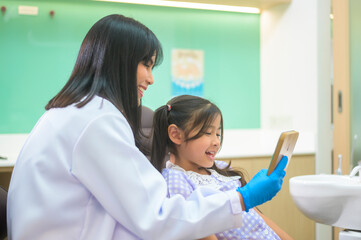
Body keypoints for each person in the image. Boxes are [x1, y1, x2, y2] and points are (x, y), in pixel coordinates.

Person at [7, 14, 287, 240]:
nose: (151, 79)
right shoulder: (97, 120)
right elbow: (158, 215)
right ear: (120, 62)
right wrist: (242, 198)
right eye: (146, 64)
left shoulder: (72, 111)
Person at [151, 95, 292, 240]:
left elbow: (259, 218)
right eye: (207, 133)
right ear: (176, 135)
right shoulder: (175, 181)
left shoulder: (220, 168)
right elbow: (198, 229)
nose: (217, 142)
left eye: (218, 133)